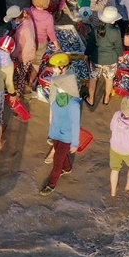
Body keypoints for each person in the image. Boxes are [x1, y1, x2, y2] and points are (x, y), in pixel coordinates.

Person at [39, 68, 81, 196]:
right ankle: (67, 168)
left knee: (57, 161)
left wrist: (75, 143)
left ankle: (52, 184)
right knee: (59, 153)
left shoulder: (74, 104)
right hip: (56, 132)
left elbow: (75, 124)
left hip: (66, 136)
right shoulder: (57, 97)